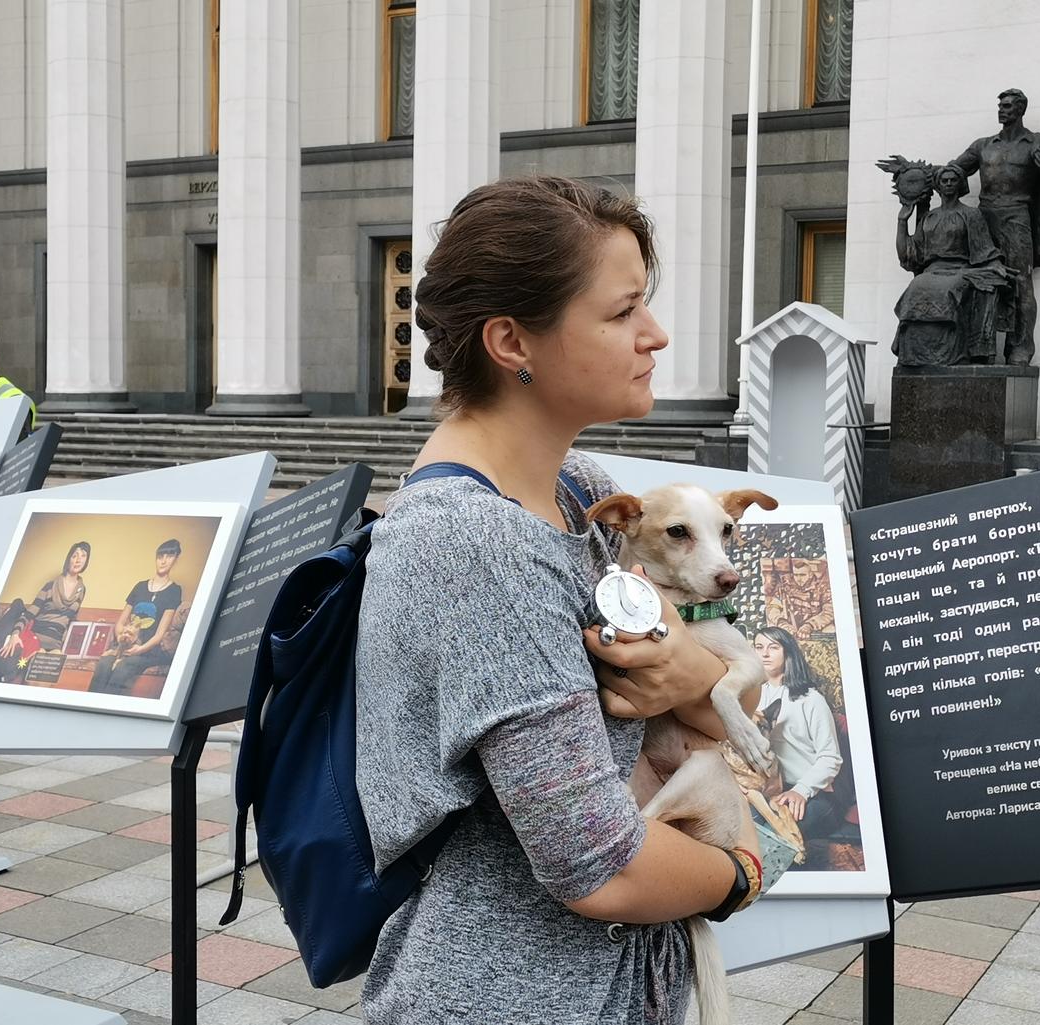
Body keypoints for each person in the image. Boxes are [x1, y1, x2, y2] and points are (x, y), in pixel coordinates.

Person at [354, 176, 762, 1024]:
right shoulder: (479, 543)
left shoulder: (579, 492)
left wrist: (690, 673)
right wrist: (746, 869)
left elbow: (713, 700)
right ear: (512, 341)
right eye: (622, 313)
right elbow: (601, 867)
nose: (656, 336)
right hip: (515, 992)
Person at [952, 88, 1040, 366]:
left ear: (1021, 110)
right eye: (1000, 105)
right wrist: (914, 173)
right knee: (976, 280)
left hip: (1016, 216)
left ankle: (1021, 348)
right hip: (983, 218)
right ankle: (976, 346)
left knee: (1021, 282)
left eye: (1008, 106)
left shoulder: (1036, 145)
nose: (1002, 110)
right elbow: (953, 172)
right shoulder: (983, 145)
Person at [892, 163, 1012, 367]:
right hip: (931, 272)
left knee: (948, 291)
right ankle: (915, 355)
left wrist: (996, 265)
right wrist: (902, 221)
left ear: (960, 184)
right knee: (914, 288)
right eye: (944, 181)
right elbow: (909, 255)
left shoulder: (971, 215)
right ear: (938, 186)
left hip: (960, 270)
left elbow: (985, 248)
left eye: (952, 180)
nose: (948, 184)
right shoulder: (930, 217)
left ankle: (951, 354)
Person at [752, 626, 843, 845]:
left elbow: (831, 758)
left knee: (771, 838)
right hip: (767, 792)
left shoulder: (811, 700)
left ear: (788, 653)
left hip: (813, 794)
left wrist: (801, 791)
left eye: (773, 647)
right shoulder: (750, 697)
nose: (764, 653)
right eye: (758, 647)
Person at [0, 541, 92, 683]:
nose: (78, 559)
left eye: (83, 556)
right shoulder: (50, 586)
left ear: (87, 561)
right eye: (74, 555)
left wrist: (89, 629)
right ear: (68, 559)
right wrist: (15, 633)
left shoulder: (82, 590)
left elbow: (71, 619)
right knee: (36, 671)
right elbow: (30, 613)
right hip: (37, 638)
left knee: (50, 674)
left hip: (56, 643)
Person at [89, 539, 184, 695]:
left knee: (123, 666)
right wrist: (122, 642)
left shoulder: (174, 590)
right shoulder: (140, 586)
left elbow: (160, 634)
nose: (164, 560)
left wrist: (139, 649)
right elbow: (120, 623)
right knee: (104, 663)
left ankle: (108, 713)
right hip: (124, 645)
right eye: (160, 556)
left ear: (176, 559)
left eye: (169, 556)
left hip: (148, 650)